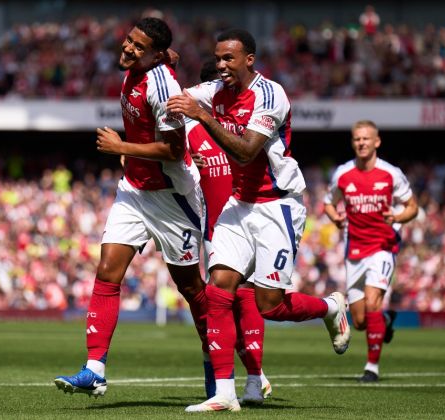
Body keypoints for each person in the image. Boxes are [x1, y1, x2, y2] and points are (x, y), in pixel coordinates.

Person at [168, 28, 351, 412]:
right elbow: (176, 98)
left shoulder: (271, 95)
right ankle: (223, 394)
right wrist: (161, 70)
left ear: (248, 59)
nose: (221, 66)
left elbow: (249, 151)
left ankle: (331, 308)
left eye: (228, 59)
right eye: (217, 59)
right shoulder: (214, 91)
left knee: (270, 305)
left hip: (277, 207)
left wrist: (201, 116)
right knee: (218, 291)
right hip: (239, 205)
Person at [54, 17, 208, 398]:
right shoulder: (142, 67)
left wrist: (121, 148)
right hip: (135, 190)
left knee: (191, 288)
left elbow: (174, 149)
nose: (128, 49)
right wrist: (163, 56)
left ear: (153, 55)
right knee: (107, 271)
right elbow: (165, 57)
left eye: (139, 47)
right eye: (129, 41)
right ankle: (95, 369)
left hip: (172, 197)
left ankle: (219, 367)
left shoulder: (163, 87)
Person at [188, 59, 270, 404]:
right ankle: (244, 381)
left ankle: (253, 376)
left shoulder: (247, 127)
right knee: (227, 301)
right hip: (216, 230)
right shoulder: (190, 135)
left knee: (255, 298)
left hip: (252, 218)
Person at [323, 120, 418, 382]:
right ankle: (385, 321)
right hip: (354, 249)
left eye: (366, 139)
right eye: (357, 139)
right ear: (353, 142)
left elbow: (413, 207)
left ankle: (371, 369)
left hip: (383, 246)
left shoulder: (391, 174)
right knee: (361, 320)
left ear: (377, 142)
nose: (361, 143)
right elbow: (328, 203)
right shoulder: (342, 174)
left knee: (374, 299)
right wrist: (335, 218)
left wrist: (397, 215)